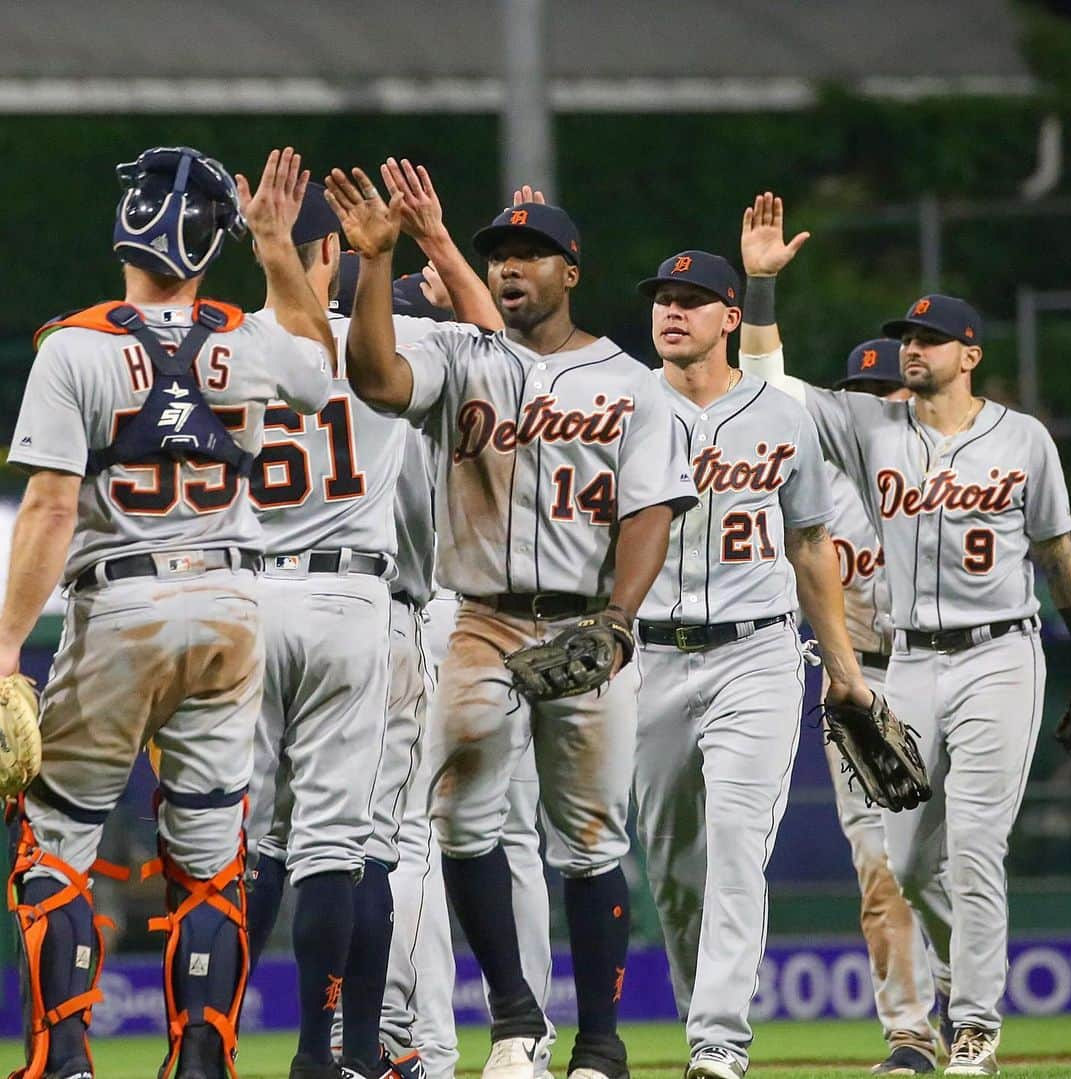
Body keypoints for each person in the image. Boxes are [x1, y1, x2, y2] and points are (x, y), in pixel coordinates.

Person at [324, 163, 697, 1079]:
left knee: (591, 838)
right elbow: (374, 377)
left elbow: (649, 509)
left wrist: (619, 617)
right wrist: (377, 263)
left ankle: (602, 1042)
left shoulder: (633, 383)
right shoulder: (461, 359)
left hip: (586, 628)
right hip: (480, 620)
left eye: (530, 253)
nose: (510, 267)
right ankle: (518, 1019)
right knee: (461, 821)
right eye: (499, 255)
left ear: (572, 270)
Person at [1, 145, 331, 1079]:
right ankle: (202, 1061)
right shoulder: (254, 335)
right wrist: (276, 253)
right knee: (209, 852)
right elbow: (320, 369)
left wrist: (4, 643)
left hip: (124, 602)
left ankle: (62, 1058)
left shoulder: (75, 346)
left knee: (56, 841)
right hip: (232, 598)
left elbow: (55, 511)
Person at [738, 193, 1071, 1078]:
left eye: (928, 340)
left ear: (970, 353)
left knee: (972, 841)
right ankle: (963, 994)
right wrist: (761, 290)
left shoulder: (1025, 440)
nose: (912, 350)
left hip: (1003, 650)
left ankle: (972, 1025)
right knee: (908, 860)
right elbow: (770, 391)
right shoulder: (873, 428)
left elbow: (1059, 553)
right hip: (911, 663)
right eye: (906, 341)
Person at [242, 167, 494, 1079]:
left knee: (259, 842)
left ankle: (210, 1039)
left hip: (253, 601)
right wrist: (419, 245)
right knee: (361, 847)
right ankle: (334, 1053)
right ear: (328, 251)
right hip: (361, 604)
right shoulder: (390, 341)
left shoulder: (229, 348)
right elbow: (499, 348)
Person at [631, 222, 879, 1079]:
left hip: (758, 656)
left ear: (729, 316)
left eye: (691, 300)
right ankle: (704, 1019)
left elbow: (812, 547)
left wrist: (842, 667)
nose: (672, 311)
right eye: (663, 299)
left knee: (738, 844)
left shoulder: (783, 415)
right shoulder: (625, 406)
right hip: (648, 657)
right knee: (669, 870)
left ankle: (718, 1046)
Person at [820, 338, 943, 1075]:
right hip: (857, 681)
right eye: (858, 390)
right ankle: (908, 1035)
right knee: (880, 868)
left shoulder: (945, 471)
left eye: (885, 388)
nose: (872, 401)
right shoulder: (816, 487)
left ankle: (967, 1012)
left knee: (946, 861)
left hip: (940, 669)